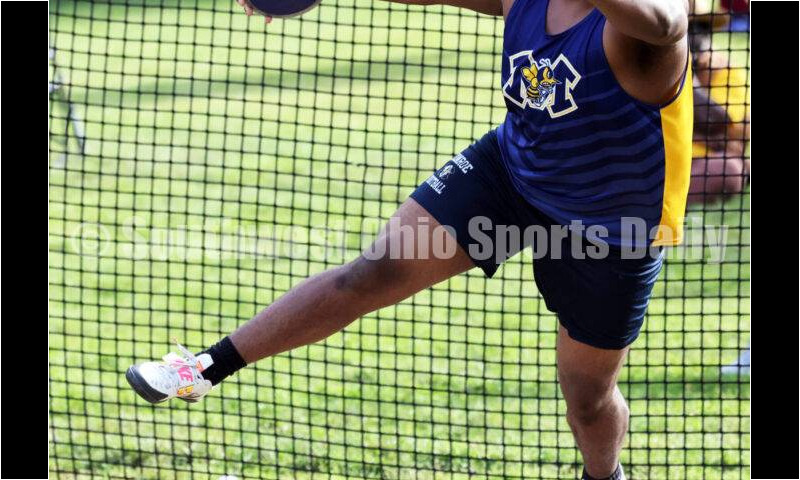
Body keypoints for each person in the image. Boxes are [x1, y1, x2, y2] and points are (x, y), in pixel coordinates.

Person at [126, 0, 693, 479]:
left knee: (588, 401)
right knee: (372, 272)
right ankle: (201, 369)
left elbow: (666, 23)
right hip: (513, 173)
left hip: (610, 228)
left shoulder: (647, 28)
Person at [687, 0, 750, 204]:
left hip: (703, 163)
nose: (695, 37)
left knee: (731, 170)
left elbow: (726, 128)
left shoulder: (728, 74)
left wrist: (687, 78)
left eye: (701, 29)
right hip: (666, 159)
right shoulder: (654, 71)